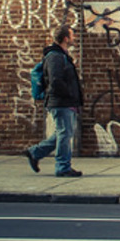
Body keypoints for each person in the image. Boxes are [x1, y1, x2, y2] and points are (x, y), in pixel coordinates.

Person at [25, 25, 84, 178]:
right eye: (72, 35)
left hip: (64, 101)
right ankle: (63, 167)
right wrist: (69, 94)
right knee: (65, 134)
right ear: (65, 38)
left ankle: (35, 152)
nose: (74, 38)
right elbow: (55, 80)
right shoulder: (55, 56)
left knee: (63, 133)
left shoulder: (61, 55)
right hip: (61, 102)